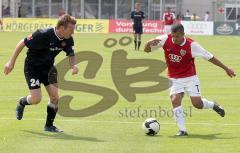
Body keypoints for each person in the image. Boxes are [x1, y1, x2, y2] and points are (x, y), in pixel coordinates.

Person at [144, 24, 236, 136]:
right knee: (175, 100)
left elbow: (209, 57)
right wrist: (147, 44)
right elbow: (147, 50)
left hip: (190, 78)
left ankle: (213, 105)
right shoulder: (165, 39)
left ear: (183, 34)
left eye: (177, 36)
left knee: (197, 104)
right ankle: (182, 130)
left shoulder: (192, 45)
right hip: (174, 78)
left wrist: (226, 69)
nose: (174, 39)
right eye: (173, 36)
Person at [4, 14, 79, 132]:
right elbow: (22, 43)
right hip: (32, 68)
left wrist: (74, 65)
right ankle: (22, 102)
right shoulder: (43, 34)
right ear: (62, 27)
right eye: (71, 29)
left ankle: (49, 126)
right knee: (36, 99)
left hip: (48, 68)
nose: (73, 32)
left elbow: (71, 54)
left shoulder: (68, 39)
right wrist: (11, 62)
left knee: (55, 97)